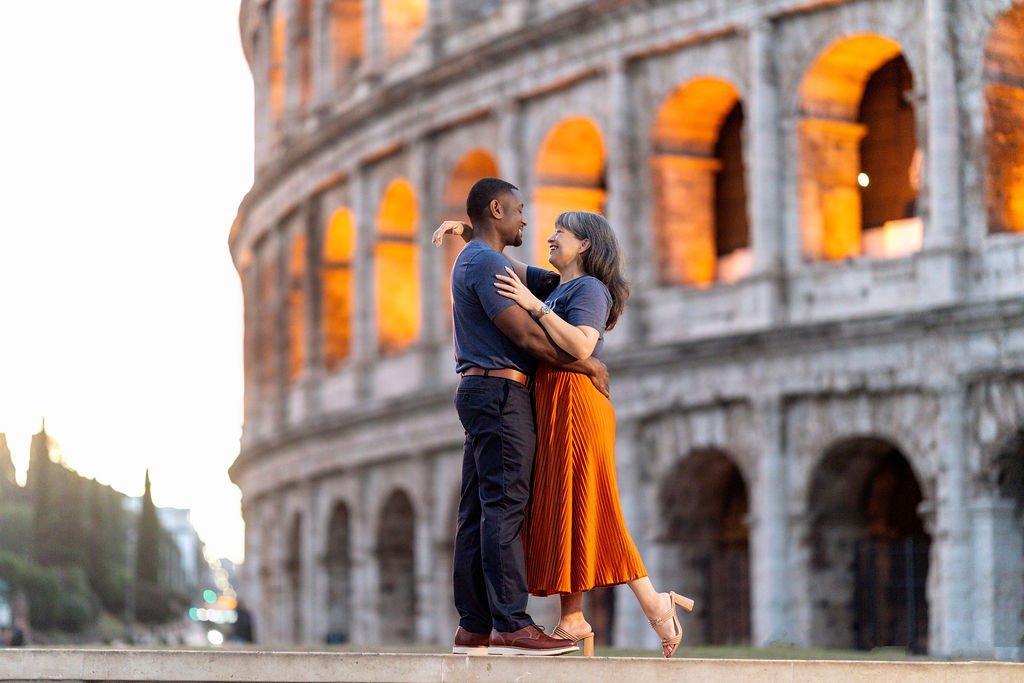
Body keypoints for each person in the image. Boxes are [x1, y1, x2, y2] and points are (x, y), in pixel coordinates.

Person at [436, 211, 693, 658]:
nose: (550, 237)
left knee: (593, 505)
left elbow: (581, 346)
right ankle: (574, 617)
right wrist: (470, 234)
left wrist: (535, 308)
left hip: (577, 402)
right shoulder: (555, 285)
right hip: (553, 401)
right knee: (565, 507)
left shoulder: (589, 289)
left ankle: (654, 604)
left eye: (561, 233)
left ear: (586, 245)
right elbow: (502, 266)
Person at [447, 178, 609, 657]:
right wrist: (588, 363)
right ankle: (511, 626)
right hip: (500, 391)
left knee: (475, 510)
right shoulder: (486, 261)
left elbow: (550, 281)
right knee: (505, 506)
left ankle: (474, 626)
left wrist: (465, 230)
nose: (525, 220)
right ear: (496, 209)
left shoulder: (478, 257)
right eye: (518, 211)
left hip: (479, 388)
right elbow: (530, 339)